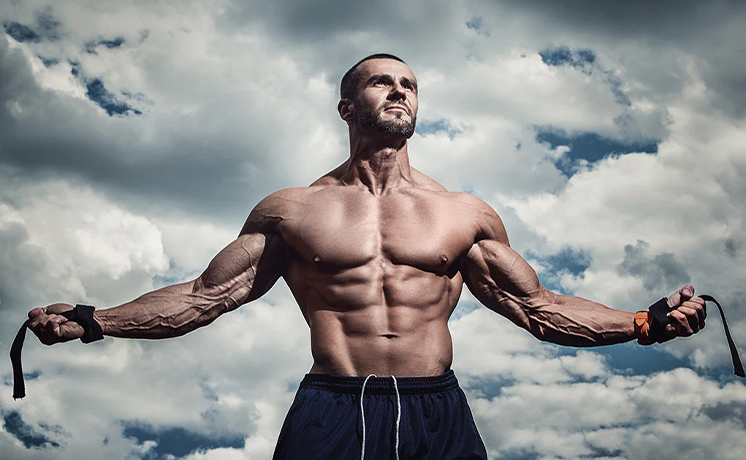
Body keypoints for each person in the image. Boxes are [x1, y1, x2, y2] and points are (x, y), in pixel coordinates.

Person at [28, 54, 706, 459]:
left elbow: (537, 307)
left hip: (437, 408)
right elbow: (208, 296)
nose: (399, 91)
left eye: (409, 84)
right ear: (347, 106)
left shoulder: (464, 214)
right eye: (382, 82)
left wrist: (643, 324)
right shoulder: (291, 210)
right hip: (331, 402)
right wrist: (97, 319)